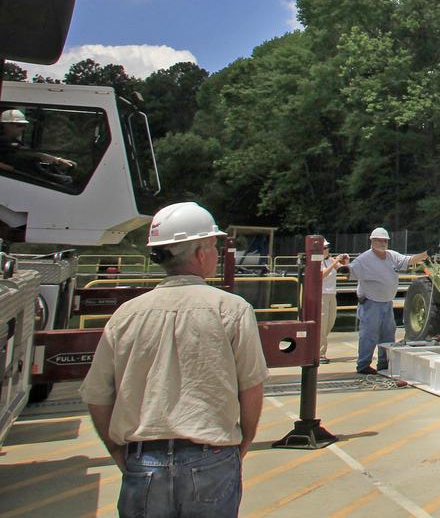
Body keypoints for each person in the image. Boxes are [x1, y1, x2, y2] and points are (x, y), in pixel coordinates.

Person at [82, 201, 269, 518]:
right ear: (199, 254)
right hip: (212, 455)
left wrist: (118, 450)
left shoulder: (126, 315)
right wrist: (242, 443)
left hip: (143, 461)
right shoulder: (232, 310)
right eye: (212, 245)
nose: (215, 252)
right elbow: (251, 386)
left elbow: (98, 395)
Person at [347, 226, 430, 374]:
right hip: (370, 303)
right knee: (368, 335)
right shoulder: (364, 259)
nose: (382, 243)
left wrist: (426, 254)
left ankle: (383, 363)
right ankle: (363, 365)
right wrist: (340, 265)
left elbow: (409, 260)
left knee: (387, 335)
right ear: (372, 241)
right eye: (379, 240)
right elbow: (349, 270)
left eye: (384, 240)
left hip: (386, 302)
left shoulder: (392, 255)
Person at [0, 108, 75, 180]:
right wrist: (57, 160)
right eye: (19, 125)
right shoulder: (4, 139)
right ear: (5, 124)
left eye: (24, 125)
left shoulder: (12, 140)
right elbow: (28, 153)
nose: (23, 129)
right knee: (65, 181)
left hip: (23, 175)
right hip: (19, 177)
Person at [318, 239, 349, 363]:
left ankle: (318, 347)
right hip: (321, 294)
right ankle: (320, 353)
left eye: (327, 247)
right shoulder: (317, 262)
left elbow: (345, 271)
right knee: (322, 323)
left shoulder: (331, 261)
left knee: (330, 322)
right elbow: (322, 275)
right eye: (324, 248)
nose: (326, 250)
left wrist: (346, 261)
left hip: (331, 294)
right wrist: (335, 261)